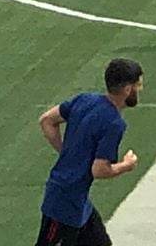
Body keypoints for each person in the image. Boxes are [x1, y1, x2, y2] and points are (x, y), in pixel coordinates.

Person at [34, 58, 143, 246]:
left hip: (78, 202)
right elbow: (99, 170)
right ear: (127, 89)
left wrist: (67, 152)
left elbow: (47, 120)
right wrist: (126, 165)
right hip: (64, 205)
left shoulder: (84, 100)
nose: (140, 90)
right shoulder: (114, 123)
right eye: (138, 85)